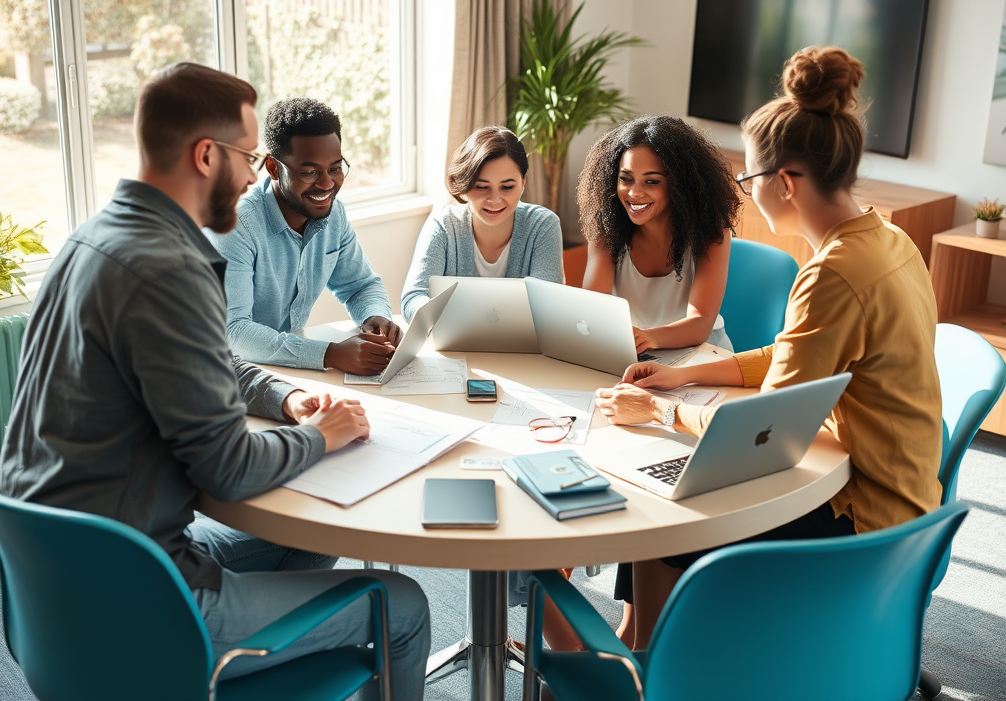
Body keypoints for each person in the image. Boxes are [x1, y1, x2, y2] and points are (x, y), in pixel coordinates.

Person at [0, 63, 430, 699]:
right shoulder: (174, 268)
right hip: (143, 600)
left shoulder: (90, 240)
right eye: (252, 157)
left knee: (303, 546)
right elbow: (226, 468)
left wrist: (283, 394)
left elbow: (204, 361)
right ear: (206, 155)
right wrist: (322, 436)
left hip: (63, 580)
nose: (258, 175)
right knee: (405, 603)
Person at [594, 46, 943, 650]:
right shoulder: (887, 239)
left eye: (748, 178)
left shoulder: (833, 272)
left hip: (863, 514)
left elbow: (764, 435)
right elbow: (794, 351)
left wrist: (661, 412)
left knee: (661, 514)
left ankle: (648, 663)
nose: (745, 191)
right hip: (908, 495)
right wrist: (683, 380)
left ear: (784, 181)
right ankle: (639, 640)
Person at [207, 98, 401, 376]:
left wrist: (375, 317)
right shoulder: (233, 227)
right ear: (273, 168)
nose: (326, 184)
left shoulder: (333, 215)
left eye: (335, 168)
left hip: (276, 369)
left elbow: (360, 286)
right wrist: (329, 354)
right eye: (309, 172)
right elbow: (232, 331)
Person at [578, 115, 739, 352]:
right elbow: (591, 310)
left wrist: (646, 337)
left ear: (680, 185)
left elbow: (701, 322)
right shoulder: (607, 231)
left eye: (651, 182)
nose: (634, 193)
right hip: (636, 349)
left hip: (703, 351)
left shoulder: (710, 232)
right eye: (626, 179)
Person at [400, 125, 564, 321]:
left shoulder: (543, 226)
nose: (494, 199)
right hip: (455, 347)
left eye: (507, 187)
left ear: (523, 183)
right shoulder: (443, 226)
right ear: (465, 186)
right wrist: (437, 315)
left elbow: (548, 305)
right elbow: (412, 298)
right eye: (482, 187)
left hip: (519, 349)